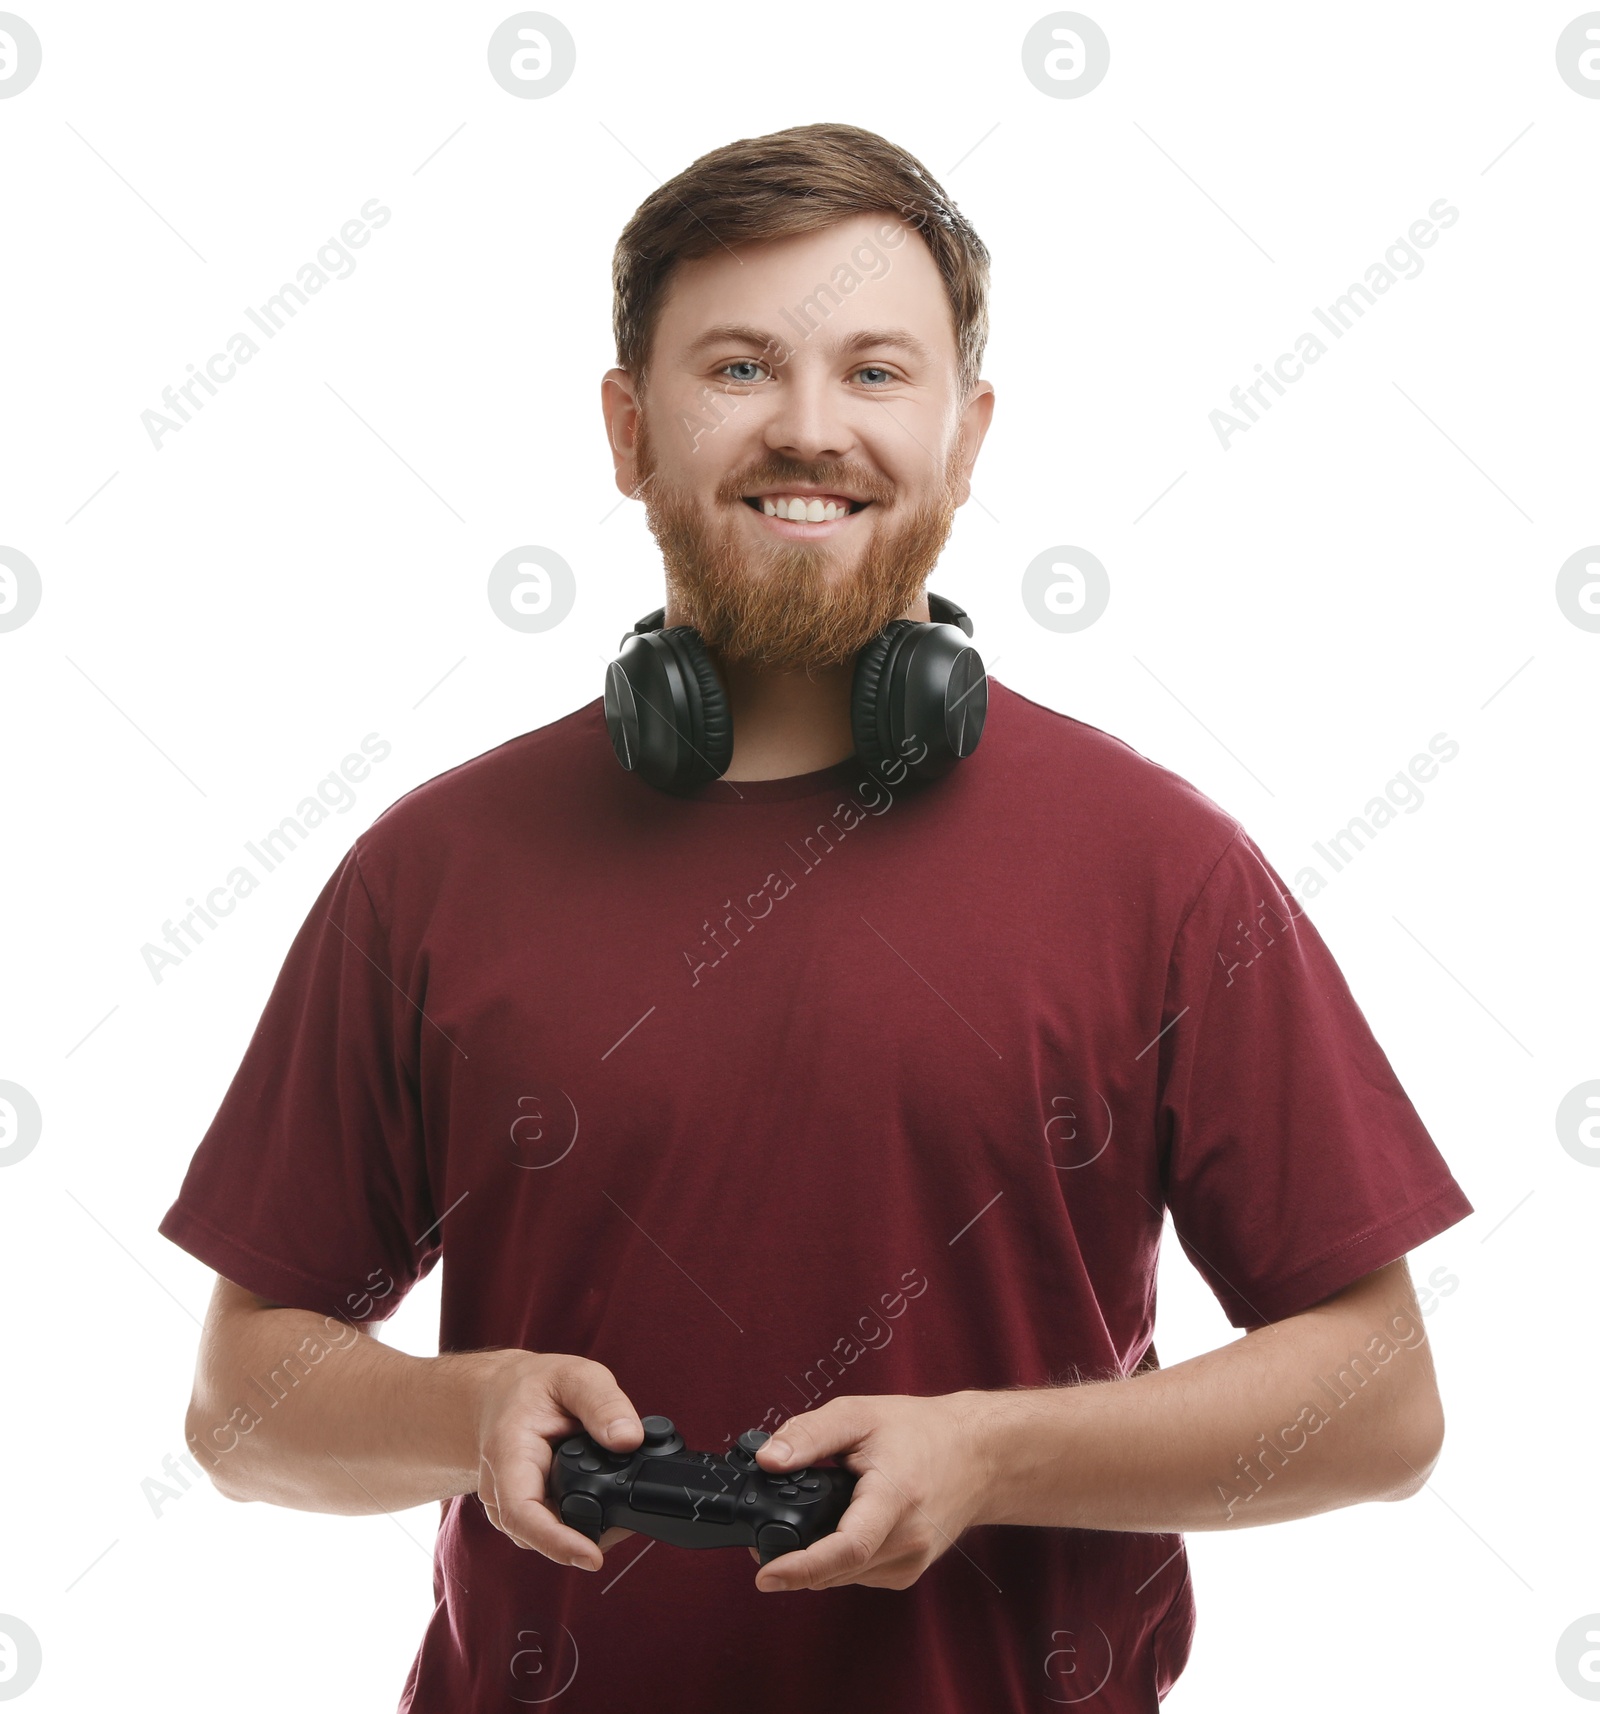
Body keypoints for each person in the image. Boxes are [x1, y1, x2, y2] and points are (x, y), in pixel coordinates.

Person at [160, 122, 1474, 1713]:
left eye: (873, 373)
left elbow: (1381, 1398)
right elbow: (242, 1400)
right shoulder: (429, 869)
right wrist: (468, 1409)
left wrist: (991, 1453)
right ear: (628, 428)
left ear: (965, 435)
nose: (807, 429)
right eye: (737, 369)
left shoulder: (1164, 866)